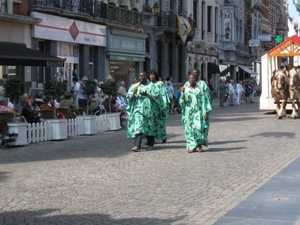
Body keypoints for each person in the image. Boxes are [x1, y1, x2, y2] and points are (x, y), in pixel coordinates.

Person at [126, 71, 159, 152]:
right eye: (140, 76)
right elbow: (129, 98)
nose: (142, 77)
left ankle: (150, 144)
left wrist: (146, 95)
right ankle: (137, 146)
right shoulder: (135, 86)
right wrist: (133, 95)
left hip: (149, 110)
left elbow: (156, 97)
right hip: (138, 110)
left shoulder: (152, 86)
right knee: (138, 126)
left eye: (143, 76)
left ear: (146, 77)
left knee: (149, 127)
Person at [180, 73, 212, 153]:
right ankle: (191, 145)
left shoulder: (200, 89)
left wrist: (205, 112)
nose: (191, 80)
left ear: (196, 79)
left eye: (193, 78)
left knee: (198, 128)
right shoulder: (185, 89)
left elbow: (205, 101)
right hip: (189, 112)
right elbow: (182, 103)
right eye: (190, 78)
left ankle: (199, 145)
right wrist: (183, 99)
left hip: (199, 112)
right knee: (189, 129)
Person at [149, 70, 170, 143]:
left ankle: (163, 136)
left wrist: (164, 105)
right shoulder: (149, 84)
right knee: (152, 123)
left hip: (159, 105)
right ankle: (152, 138)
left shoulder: (160, 84)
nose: (151, 76)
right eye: (150, 75)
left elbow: (163, 94)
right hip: (152, 106)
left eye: (153, 75)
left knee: (161, 122)